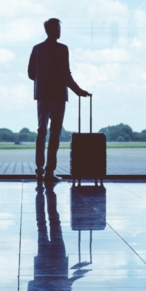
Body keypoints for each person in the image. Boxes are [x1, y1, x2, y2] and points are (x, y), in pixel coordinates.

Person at [28, 18, 90, 182]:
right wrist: (78, 91)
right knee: (54, 134)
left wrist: (42, 79)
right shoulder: (62, 49)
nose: (59, 31)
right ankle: (49, 171)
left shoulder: (37, 49)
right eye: (58, 28)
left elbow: (30, 73)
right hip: (58, 96)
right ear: (52, 30)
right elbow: (65, 74)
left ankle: (39, 170)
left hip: (42, 95)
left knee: (41, 132)